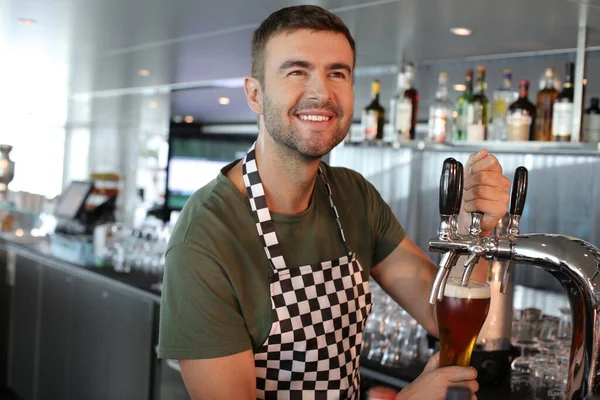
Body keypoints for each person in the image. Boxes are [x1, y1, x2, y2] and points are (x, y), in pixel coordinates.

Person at [157, 5, 510, 400]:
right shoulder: (206, 236)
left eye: (337, 73)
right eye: (297, 71)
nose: (322, 92)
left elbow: (442, 317)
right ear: (255, 94)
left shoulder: (354, 196)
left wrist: (476, 230)